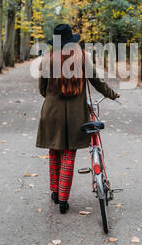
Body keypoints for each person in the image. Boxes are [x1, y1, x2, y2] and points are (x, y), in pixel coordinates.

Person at [36, 24, 119, 214]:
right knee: (68, 155)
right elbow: (97, 82)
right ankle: (64, 201)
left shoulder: (46, 60)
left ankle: (55, 192)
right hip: (75, 114)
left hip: (51, 113)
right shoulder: (82, 59)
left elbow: (42, 89)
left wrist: (52, 99)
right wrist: (113, 94)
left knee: (54, 151)